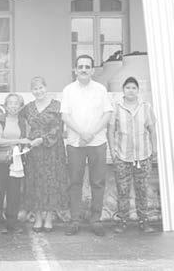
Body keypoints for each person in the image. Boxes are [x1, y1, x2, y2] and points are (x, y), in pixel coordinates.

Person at [60, 55, 113, 236]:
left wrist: (91, 134)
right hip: (75, 143)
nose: (83, 69)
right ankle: (75, 220)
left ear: (92, 70)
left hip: (97, 142)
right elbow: (65, 116)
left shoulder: (100, 89)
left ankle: (95, 220)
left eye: (87, 66)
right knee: (75, 182)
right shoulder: (68, 90)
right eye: (80, 66)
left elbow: (107, 114)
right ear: (75, 70)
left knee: (97, 182)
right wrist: (82, 133)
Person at [107, 77, 157, 234]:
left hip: (143, 156)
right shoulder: (116, 108)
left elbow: (152, 130)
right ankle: (122, 221)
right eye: (128, 87)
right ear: (123, 90)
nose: (130, 90)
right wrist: (113, 151)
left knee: (142, 191)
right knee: (123, 191)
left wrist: (154, 149)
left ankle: (144, 222)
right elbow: (110, 131)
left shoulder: (146, 107)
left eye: (133, 88)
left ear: (138, 90)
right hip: (122, 156)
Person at [22, 76, 69, 233]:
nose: (38, 91)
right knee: (35, 182)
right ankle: (38, 217)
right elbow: (20, 124)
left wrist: (42, 139)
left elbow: (58, 128)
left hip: (53, 149)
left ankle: (48, 217)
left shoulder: (56, 105)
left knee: (51, 182)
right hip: (34, 151)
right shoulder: (28, 108)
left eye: (41, 87)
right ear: (31, 91)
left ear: (46, 87)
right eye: (35, 88)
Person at [0, 93, 34, 234]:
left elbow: (28, 139)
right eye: (10, 103)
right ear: (6, 105)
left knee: (14, 193)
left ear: (20, 107)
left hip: (16, 161)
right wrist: (18, 141)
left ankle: (12, 223)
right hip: (0, 161)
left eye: (16, 103)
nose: (13, 106)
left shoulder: (23, 122)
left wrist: (26, 145)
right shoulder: (0, 120)